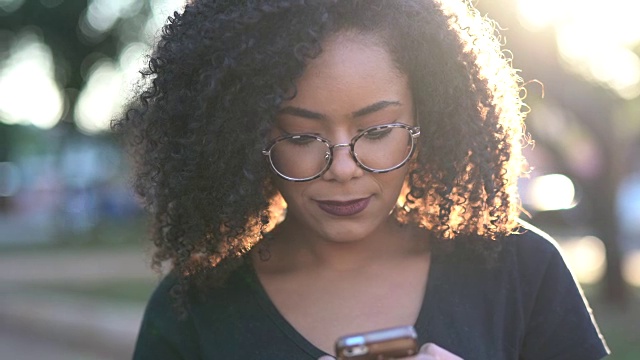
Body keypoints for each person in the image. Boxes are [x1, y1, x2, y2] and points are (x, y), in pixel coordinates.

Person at [114, 0, 610, 359]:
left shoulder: (521, 271)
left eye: (376, 130)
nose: (344, 167)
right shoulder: (194, 312)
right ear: (245, 139)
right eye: (303, 136)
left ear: (431, 117)